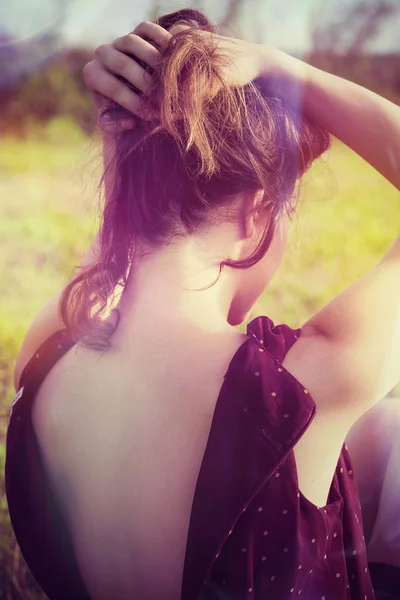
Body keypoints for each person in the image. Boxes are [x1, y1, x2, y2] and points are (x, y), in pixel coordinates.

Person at [5, 7, 400, 600]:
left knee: (380, 435)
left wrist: (125, 127)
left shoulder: (52, 341)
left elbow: (120, 250)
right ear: (256, 213)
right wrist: (283, 67)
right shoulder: (303, 386)